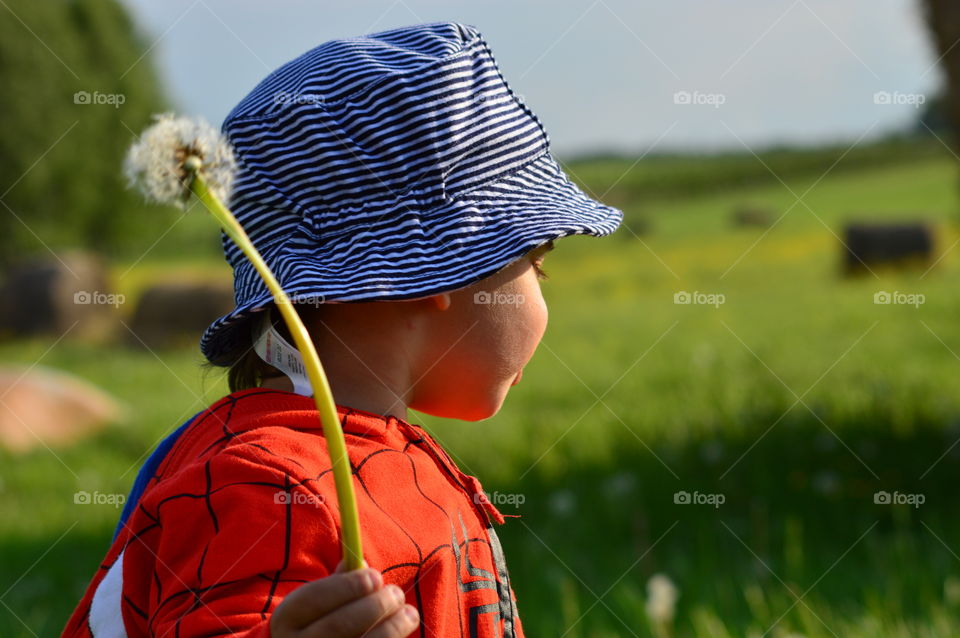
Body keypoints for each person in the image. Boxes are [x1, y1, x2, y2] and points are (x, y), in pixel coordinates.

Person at [62, 20, 621, 638]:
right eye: (537, 265)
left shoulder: (356, 456)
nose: (544, 292)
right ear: (440, 267)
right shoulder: (269, 486)